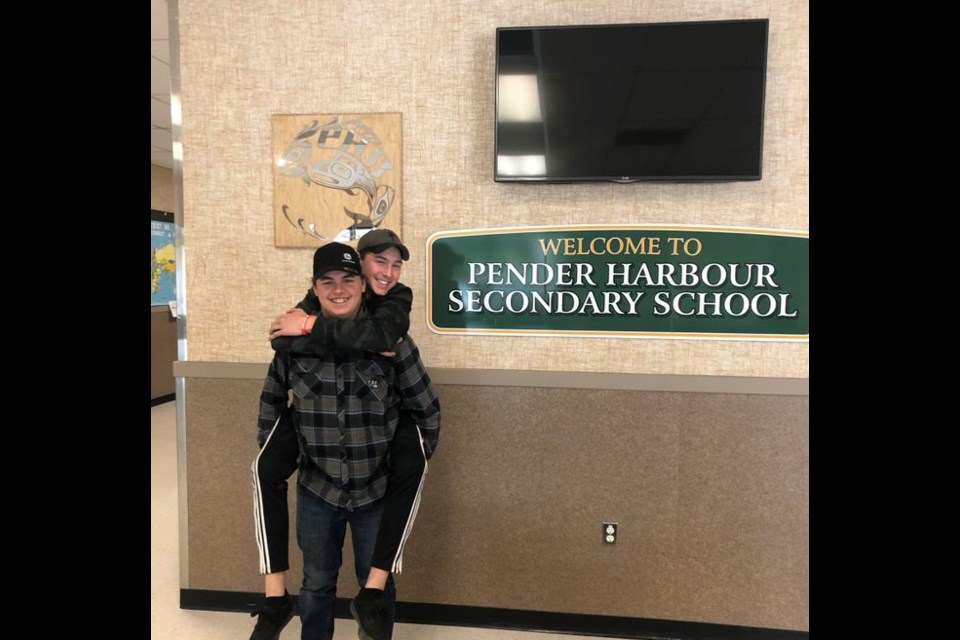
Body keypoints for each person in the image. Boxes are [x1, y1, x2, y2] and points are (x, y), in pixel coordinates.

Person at [252, 238, 439, 640]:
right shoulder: (292, 343)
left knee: (377, 591)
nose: (339, 289)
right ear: (315, 288)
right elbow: (271, 401)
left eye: (348, 279)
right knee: (316, 585)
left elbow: (426, 409)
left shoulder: (392, 342)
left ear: (362, 284)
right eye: (328, 281)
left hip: (376, 491)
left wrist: (409, 464)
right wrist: (282, 451)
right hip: (318, 492)